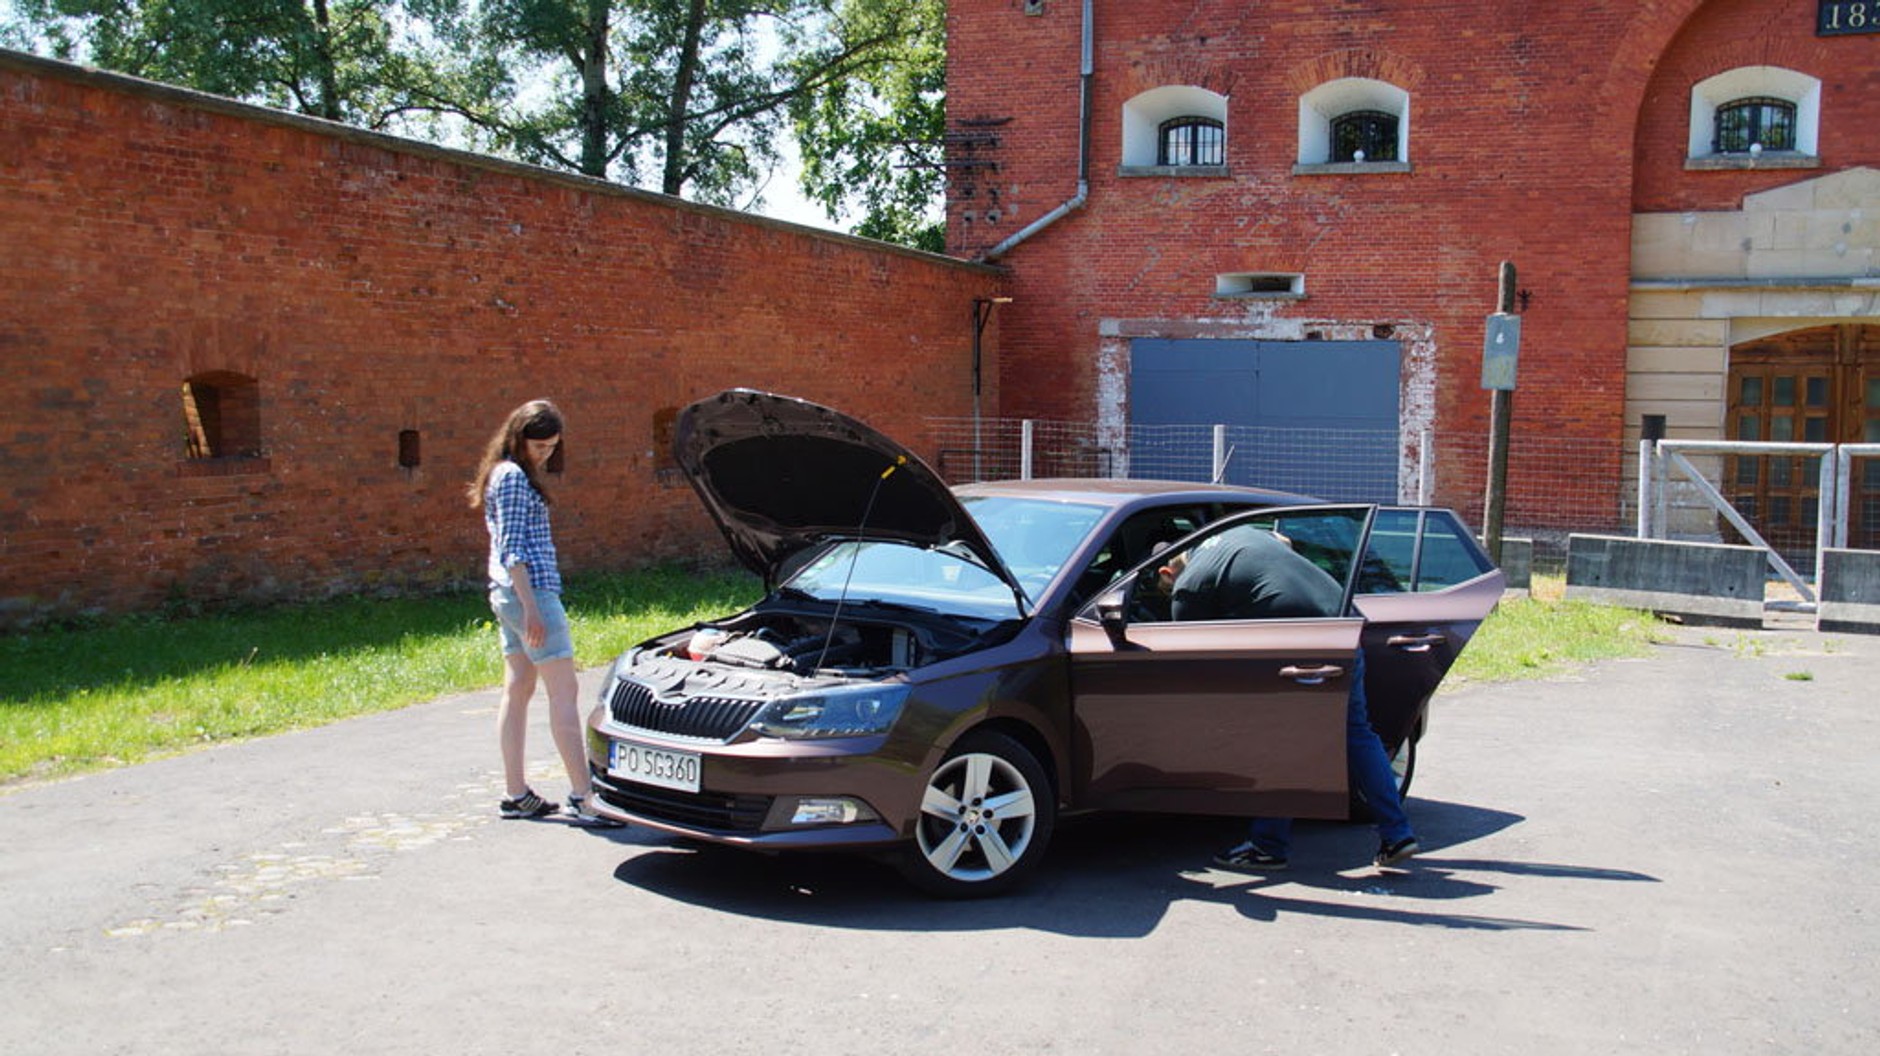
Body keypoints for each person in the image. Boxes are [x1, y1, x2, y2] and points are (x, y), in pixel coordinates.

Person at [1156, 525, 1417, 871]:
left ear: (1167, 572)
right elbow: (1285, 542)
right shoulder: (1243, 532)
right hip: (1344, 627)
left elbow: (1187, 660)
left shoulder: (1191, 583)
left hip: (1302, 641)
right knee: (1356, 732)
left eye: (1165, 588)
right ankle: (1397, 833)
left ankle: (1268, 845)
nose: (1170, 593)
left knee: (1282, 742)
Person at [467, 399, 619, 827]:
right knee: (564, 692)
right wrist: (532, 608)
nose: (546, 454)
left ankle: (516, 793)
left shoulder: (500, 472)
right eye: (540, 446)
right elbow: (513, 548)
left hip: (506, 594)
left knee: (517, 689)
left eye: (552, 447)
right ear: (519, 438)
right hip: (528, 594)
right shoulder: (513, 477)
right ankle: (583, 795)